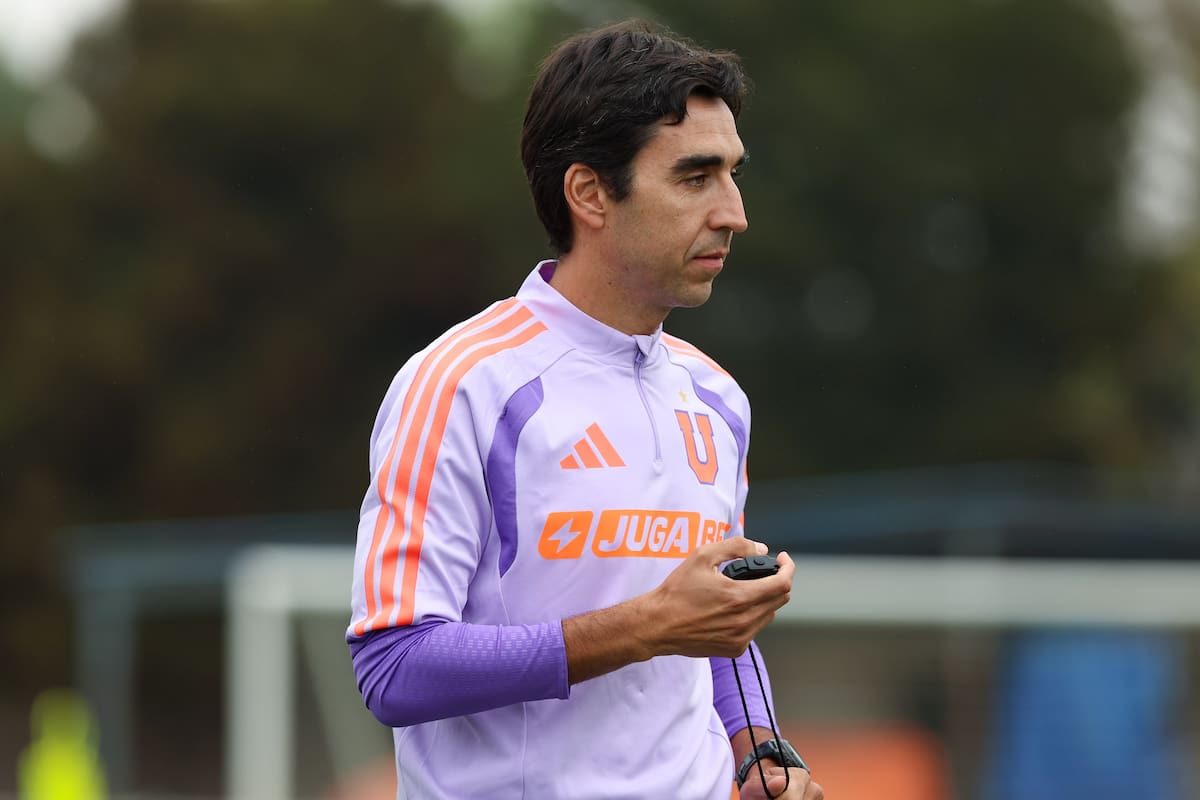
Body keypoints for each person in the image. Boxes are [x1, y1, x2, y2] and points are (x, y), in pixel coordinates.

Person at [347, 19, 823, 800]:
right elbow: (393, 665)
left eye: (733, 174)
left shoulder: (716, 397)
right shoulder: (461, 384)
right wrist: (648, 625)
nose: (734, 213)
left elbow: (714, 633)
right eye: (695, 178)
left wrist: (759, 747)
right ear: (589, 193)